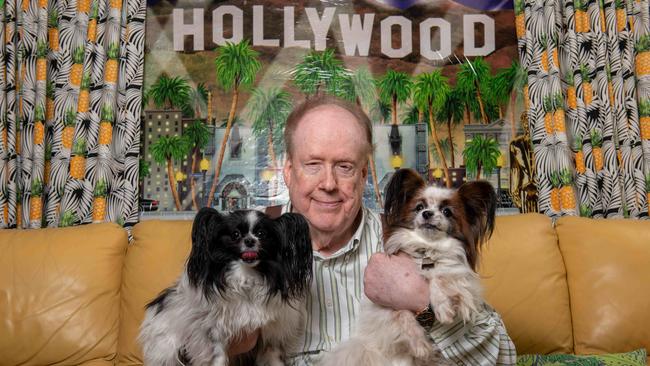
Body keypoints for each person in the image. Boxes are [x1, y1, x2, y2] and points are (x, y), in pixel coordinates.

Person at [233, 95, 516, 365]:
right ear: (289, 170)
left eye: (344, 167)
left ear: (363, 176)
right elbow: (188, 349)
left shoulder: (413, 242)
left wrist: (421, 302)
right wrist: (231, 340)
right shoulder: (236, 241)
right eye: (313, 164)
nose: (328, 183)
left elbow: (503, 357)